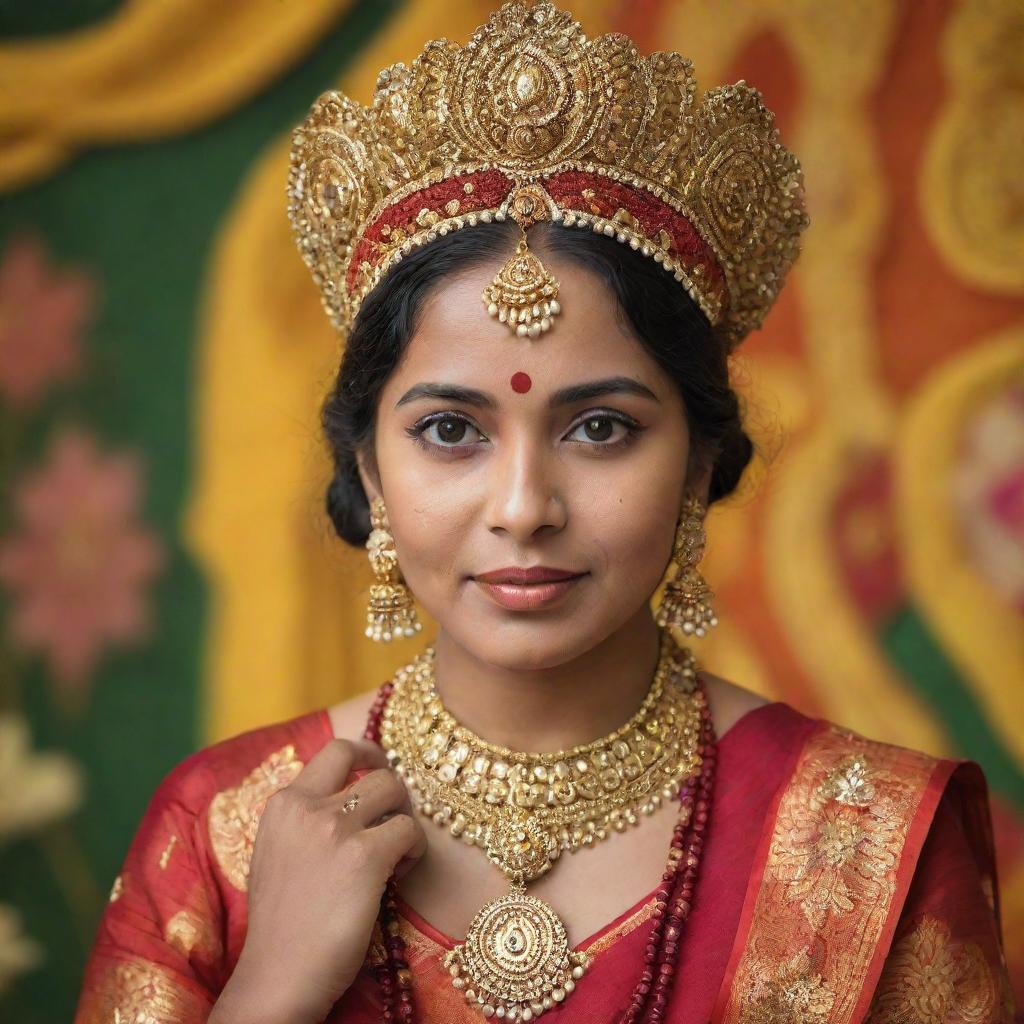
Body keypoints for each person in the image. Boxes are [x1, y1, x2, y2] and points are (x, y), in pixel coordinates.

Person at [74, 3, 1017, 1022]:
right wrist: (273, 983)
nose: (523, 508)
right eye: (449, 431)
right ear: (369, 469)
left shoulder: (872, 834)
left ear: (700, 464)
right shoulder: (223, 834)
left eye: (600, 428)